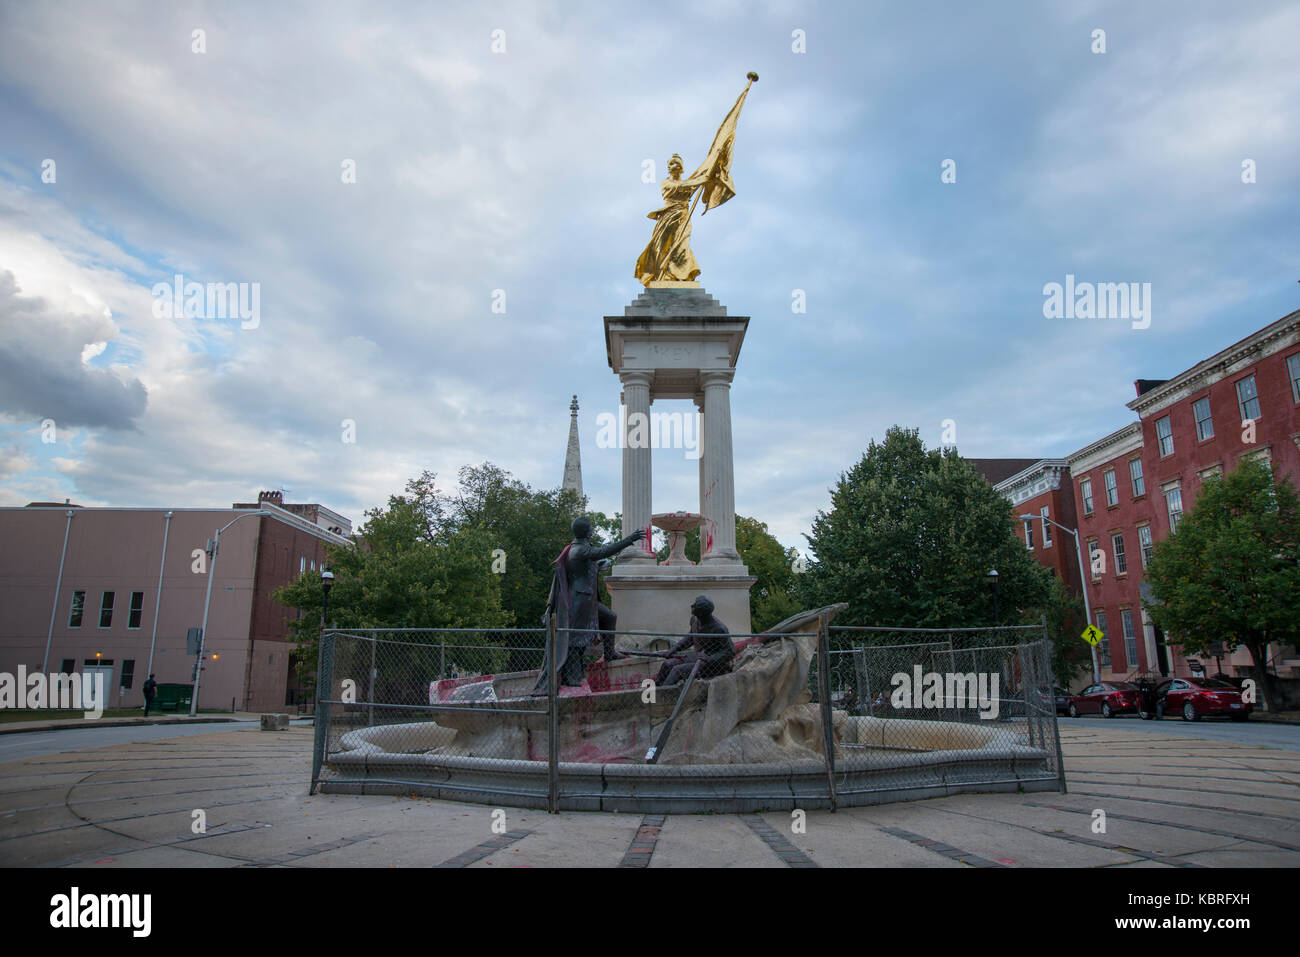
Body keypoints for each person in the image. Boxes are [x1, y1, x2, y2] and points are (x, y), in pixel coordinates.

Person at [531, 516, 647, 693]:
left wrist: (597, 566)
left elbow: (587, 564)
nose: (592, 529)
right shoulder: (579, 550)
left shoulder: (578, 549)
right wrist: (629, 540)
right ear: (587, 531)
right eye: (591, 527)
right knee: (576, 638)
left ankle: (609, 653)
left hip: (586, 599)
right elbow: (604, 551)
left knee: (609, 617)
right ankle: (572, 676)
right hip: (579, 601)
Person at [654, 595, 734, 686]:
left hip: (713, 665)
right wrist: (673, 650)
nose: (691, 605)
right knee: (667, 664)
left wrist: (709, 659)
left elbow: (730, 652)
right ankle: (656, 689)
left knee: (677, 671)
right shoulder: (695, 620)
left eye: (695, 605)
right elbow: (690, 638)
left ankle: (663, 694)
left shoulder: (719, 629)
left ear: (700, 613)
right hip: (698, 657)